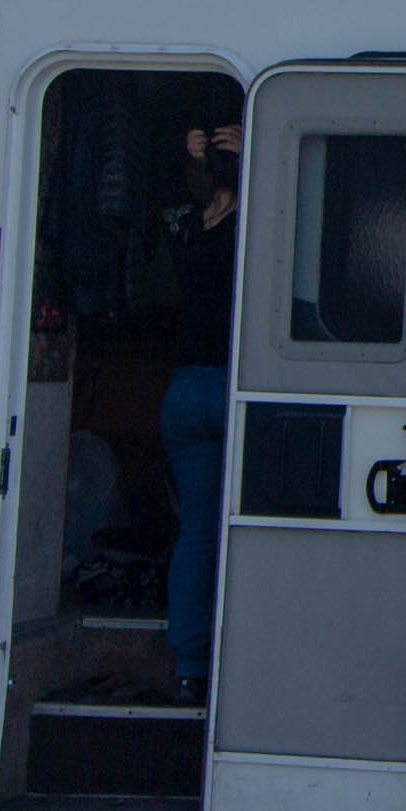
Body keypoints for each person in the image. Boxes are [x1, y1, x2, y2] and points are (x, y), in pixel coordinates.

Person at [159, 118, 240, 696]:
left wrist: (188, 159)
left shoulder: (184, 226)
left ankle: (189, 666)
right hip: (236, 387)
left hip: (183, 391)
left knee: (196, 537)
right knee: (249, 529)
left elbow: (169, 198)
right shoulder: (258, 220)